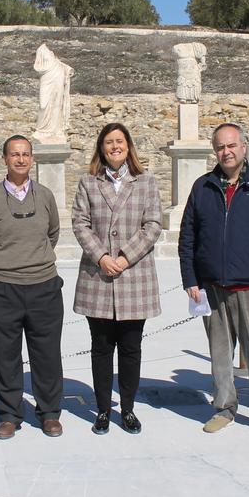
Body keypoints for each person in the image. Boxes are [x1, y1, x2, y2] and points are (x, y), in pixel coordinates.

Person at [179, 122, 249, 436]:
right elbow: (188, 235)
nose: (225, 152)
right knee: (219, 353)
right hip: (212, 287)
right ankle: (224, 407)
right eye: (220, 147)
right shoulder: (203, 186)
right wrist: (191, 278)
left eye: (231, 146)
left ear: (243, 147)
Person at [71, 123, 163, 435]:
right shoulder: (88, 182)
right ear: (101, 148)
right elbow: (80, 224)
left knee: (131, 347)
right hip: (98, 276)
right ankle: (101, 410)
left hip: (133, 275)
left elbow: (152, 224)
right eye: (108, 142)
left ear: (128, 146)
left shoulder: (146, 181)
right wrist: (102, 257)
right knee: (100, 347)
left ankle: (127, 408)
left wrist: (124, 257)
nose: (114, 147)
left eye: (119, 141)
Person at [0, 135, 64, 439]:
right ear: (4, 159)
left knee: (47, 354)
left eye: (25, 154)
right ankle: (9, 414)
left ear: (32, 159)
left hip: (43, 286)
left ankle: (49, 413)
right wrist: (3, 263)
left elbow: (52, 234)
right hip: (2, 288)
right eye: (14, 154)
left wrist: (33, 262)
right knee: (4, 355)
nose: (21, 159)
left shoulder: (46, 196)